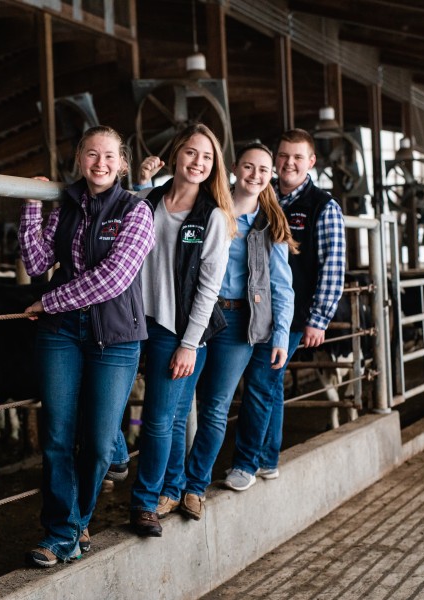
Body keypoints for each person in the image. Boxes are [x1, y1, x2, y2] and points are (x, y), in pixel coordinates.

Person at [18, 125, 155, 567]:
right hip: (60, 333)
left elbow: (115, 278)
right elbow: (38, 263)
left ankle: (76, 522)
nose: (100, 164)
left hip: (114, 338)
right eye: (92, 155)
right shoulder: (69, 204)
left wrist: (49, 299)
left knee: (97, 444)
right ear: (79, 158)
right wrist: (32, 205)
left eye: (109, 156)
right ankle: (62, 532)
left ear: (122, 164)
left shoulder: (136, 211)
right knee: (58, 437)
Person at [155, 141, 296, 521]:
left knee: (216, 407)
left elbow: (282, 286)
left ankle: (195, 486)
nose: (255, 175)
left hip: (237, 323)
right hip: (197, 315)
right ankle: (170, 486)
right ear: (235, 168)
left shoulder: (270, 222)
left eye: (263, 170)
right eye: (248, 167)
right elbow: (164, 205)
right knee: (179, 407)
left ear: (271, 177)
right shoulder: (209, 209)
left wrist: (280, 335)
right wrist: (143, 178)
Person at [127, 123, 236, 537]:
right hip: (140, 323)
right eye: (191, 153)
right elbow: (125, 215)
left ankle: (145, 501)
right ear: (176, 155)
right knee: (170, 419)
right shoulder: (149, 201)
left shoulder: (212, 217)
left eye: (207, 157)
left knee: (156, 420)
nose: (198, 162)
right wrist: (140, 179)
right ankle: (170, 488)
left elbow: (209, 288)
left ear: (213, 166)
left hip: (182, 332)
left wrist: (189, 345)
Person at [223, 128, 346, 491]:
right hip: (253, 309)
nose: (288, 163)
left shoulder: (324, 206)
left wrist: (318, 319)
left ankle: (246, 462)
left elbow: (333, 267)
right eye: (283, 156)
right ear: (275, 160)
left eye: (297, 157)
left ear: (311, 162)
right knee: (270, 384)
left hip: (293, 315)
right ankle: (268, 458)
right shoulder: (262, 197)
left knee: (261, 382)